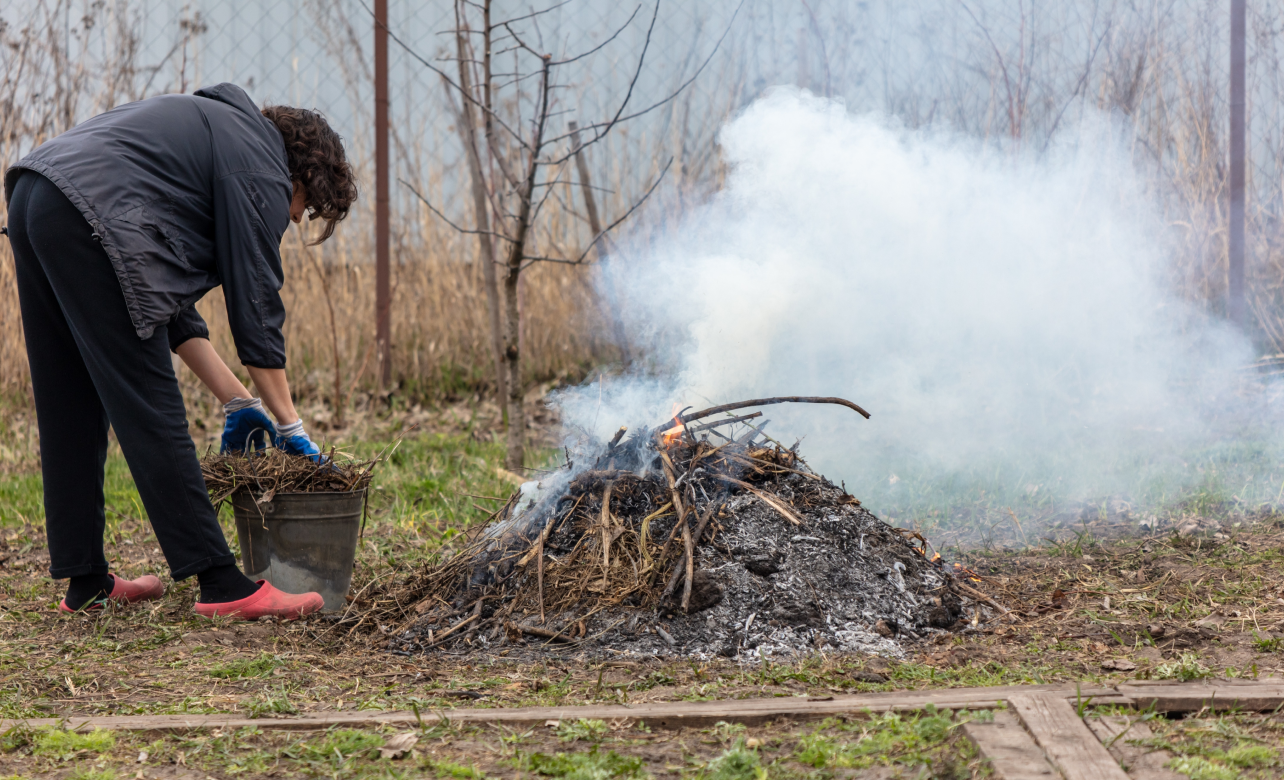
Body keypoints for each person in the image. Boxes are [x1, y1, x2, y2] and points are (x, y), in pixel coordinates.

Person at [2, 83, 358, 619]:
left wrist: (236, 400)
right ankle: (222, 584)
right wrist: (291, 426)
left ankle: (86, 581)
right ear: (302, 172)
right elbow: (255, 305)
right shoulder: (260, 165)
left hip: (37, 196)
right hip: (85, 213)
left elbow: (160, 299)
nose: (292, 219)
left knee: (69, 398)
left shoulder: (215, 140)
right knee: (152, 406)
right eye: (305, 207)